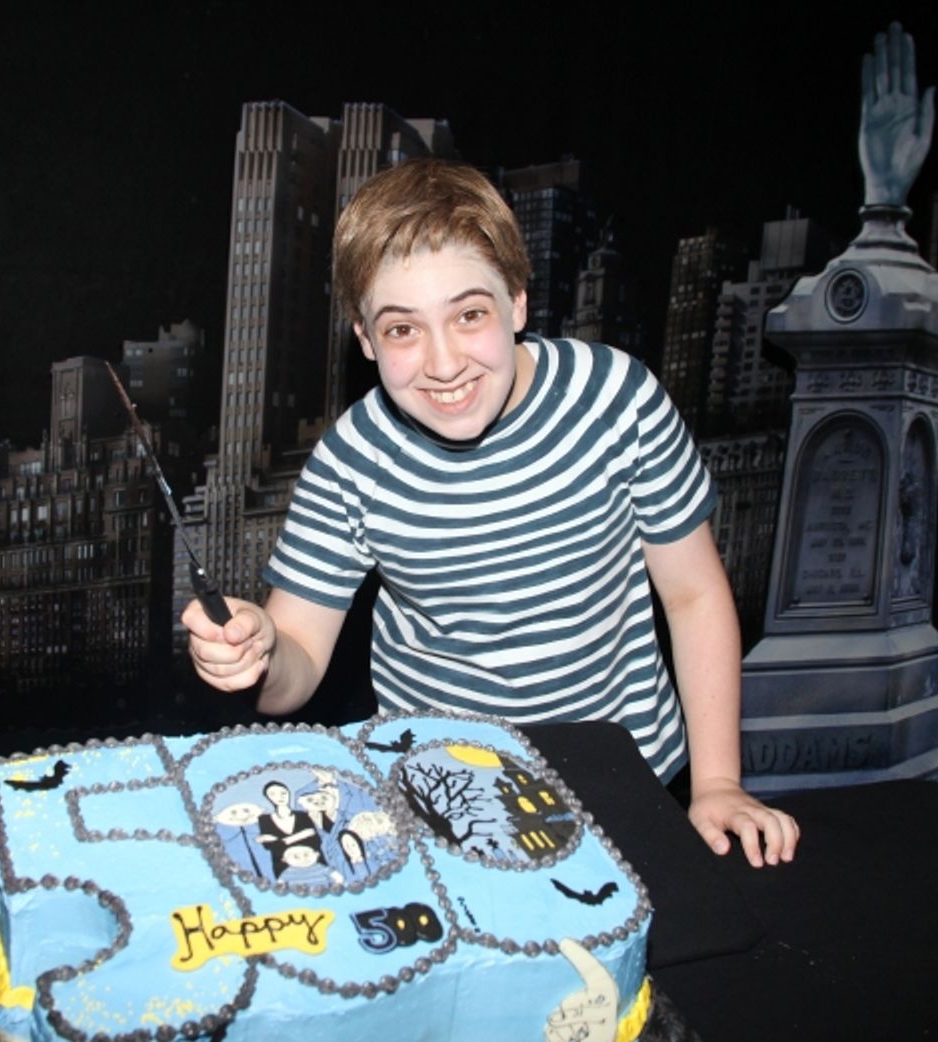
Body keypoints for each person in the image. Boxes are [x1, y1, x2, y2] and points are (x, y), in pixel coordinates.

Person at [185, 158, 799, 867]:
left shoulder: (618, 399)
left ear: (516, 302)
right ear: (364, 338)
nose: (444, 364)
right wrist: (256, 650)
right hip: (444, 800)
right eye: (403, 330)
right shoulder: (351, 459)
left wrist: (720, 782)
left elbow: (693, 595)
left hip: (631, 778)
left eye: (469, 315)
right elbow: (295, 665)